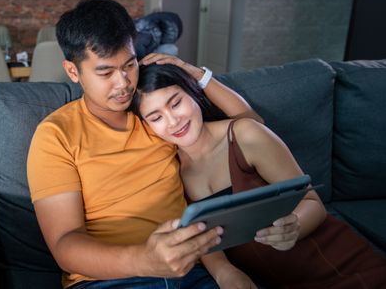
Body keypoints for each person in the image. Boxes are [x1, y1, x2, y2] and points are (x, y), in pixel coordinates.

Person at [26, 0, 262, 288]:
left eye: (130, 64)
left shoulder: (157, 114)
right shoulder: (56, 135)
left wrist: (188, 70)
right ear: (73, 71)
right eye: (106, 72)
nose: (123, 83)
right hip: (107, 281)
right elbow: (65, 244)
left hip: (192, 271)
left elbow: (249, 125)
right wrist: (144, 260)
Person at [130, 57, 386, 289]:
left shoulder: (245, 134)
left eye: (175, 103)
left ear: (193, 94)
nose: (173, 121)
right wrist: (223, 271)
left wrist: (295, 225)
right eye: (156, 117)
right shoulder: (168, 168)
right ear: (147, 126)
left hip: (336, 266)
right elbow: (197, 235)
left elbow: (313, 203)